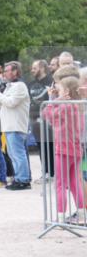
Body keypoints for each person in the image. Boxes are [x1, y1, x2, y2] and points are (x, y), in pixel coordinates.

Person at [42, 76, 85, 222]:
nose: (57, 92)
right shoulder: (77, 106)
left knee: (60, 184)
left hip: (64, 150)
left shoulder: (65, 106)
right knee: (75, 182)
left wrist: (52, 100)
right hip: (76, 149)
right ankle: (81, 213)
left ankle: (60, 216)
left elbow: (47, 115)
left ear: (66, 91)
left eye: (59, 90)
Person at [0, 61, 31, 190]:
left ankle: (23, 180)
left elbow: (11, 102)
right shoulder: (9, 86)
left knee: (18, 154)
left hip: (16, 125)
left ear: (15, 72)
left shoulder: (20, 86)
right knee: (13, 154)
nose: (4, 73)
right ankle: (18, 178)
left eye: (7, 70)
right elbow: (4, 104)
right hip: (8, 125)